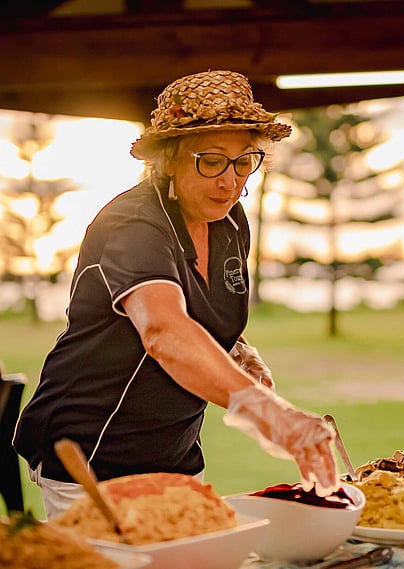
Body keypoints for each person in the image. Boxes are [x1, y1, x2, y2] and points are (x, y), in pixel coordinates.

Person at [13, 70, 339, 519]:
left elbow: (198, 308)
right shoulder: (132, 224)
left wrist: (238, 351)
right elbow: (164, 329)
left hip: (176, 450)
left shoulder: (229, 220)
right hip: (91, 451)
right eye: (211, 160)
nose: (231, 181)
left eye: (244, 160)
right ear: (168, 159)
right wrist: (270, 413)